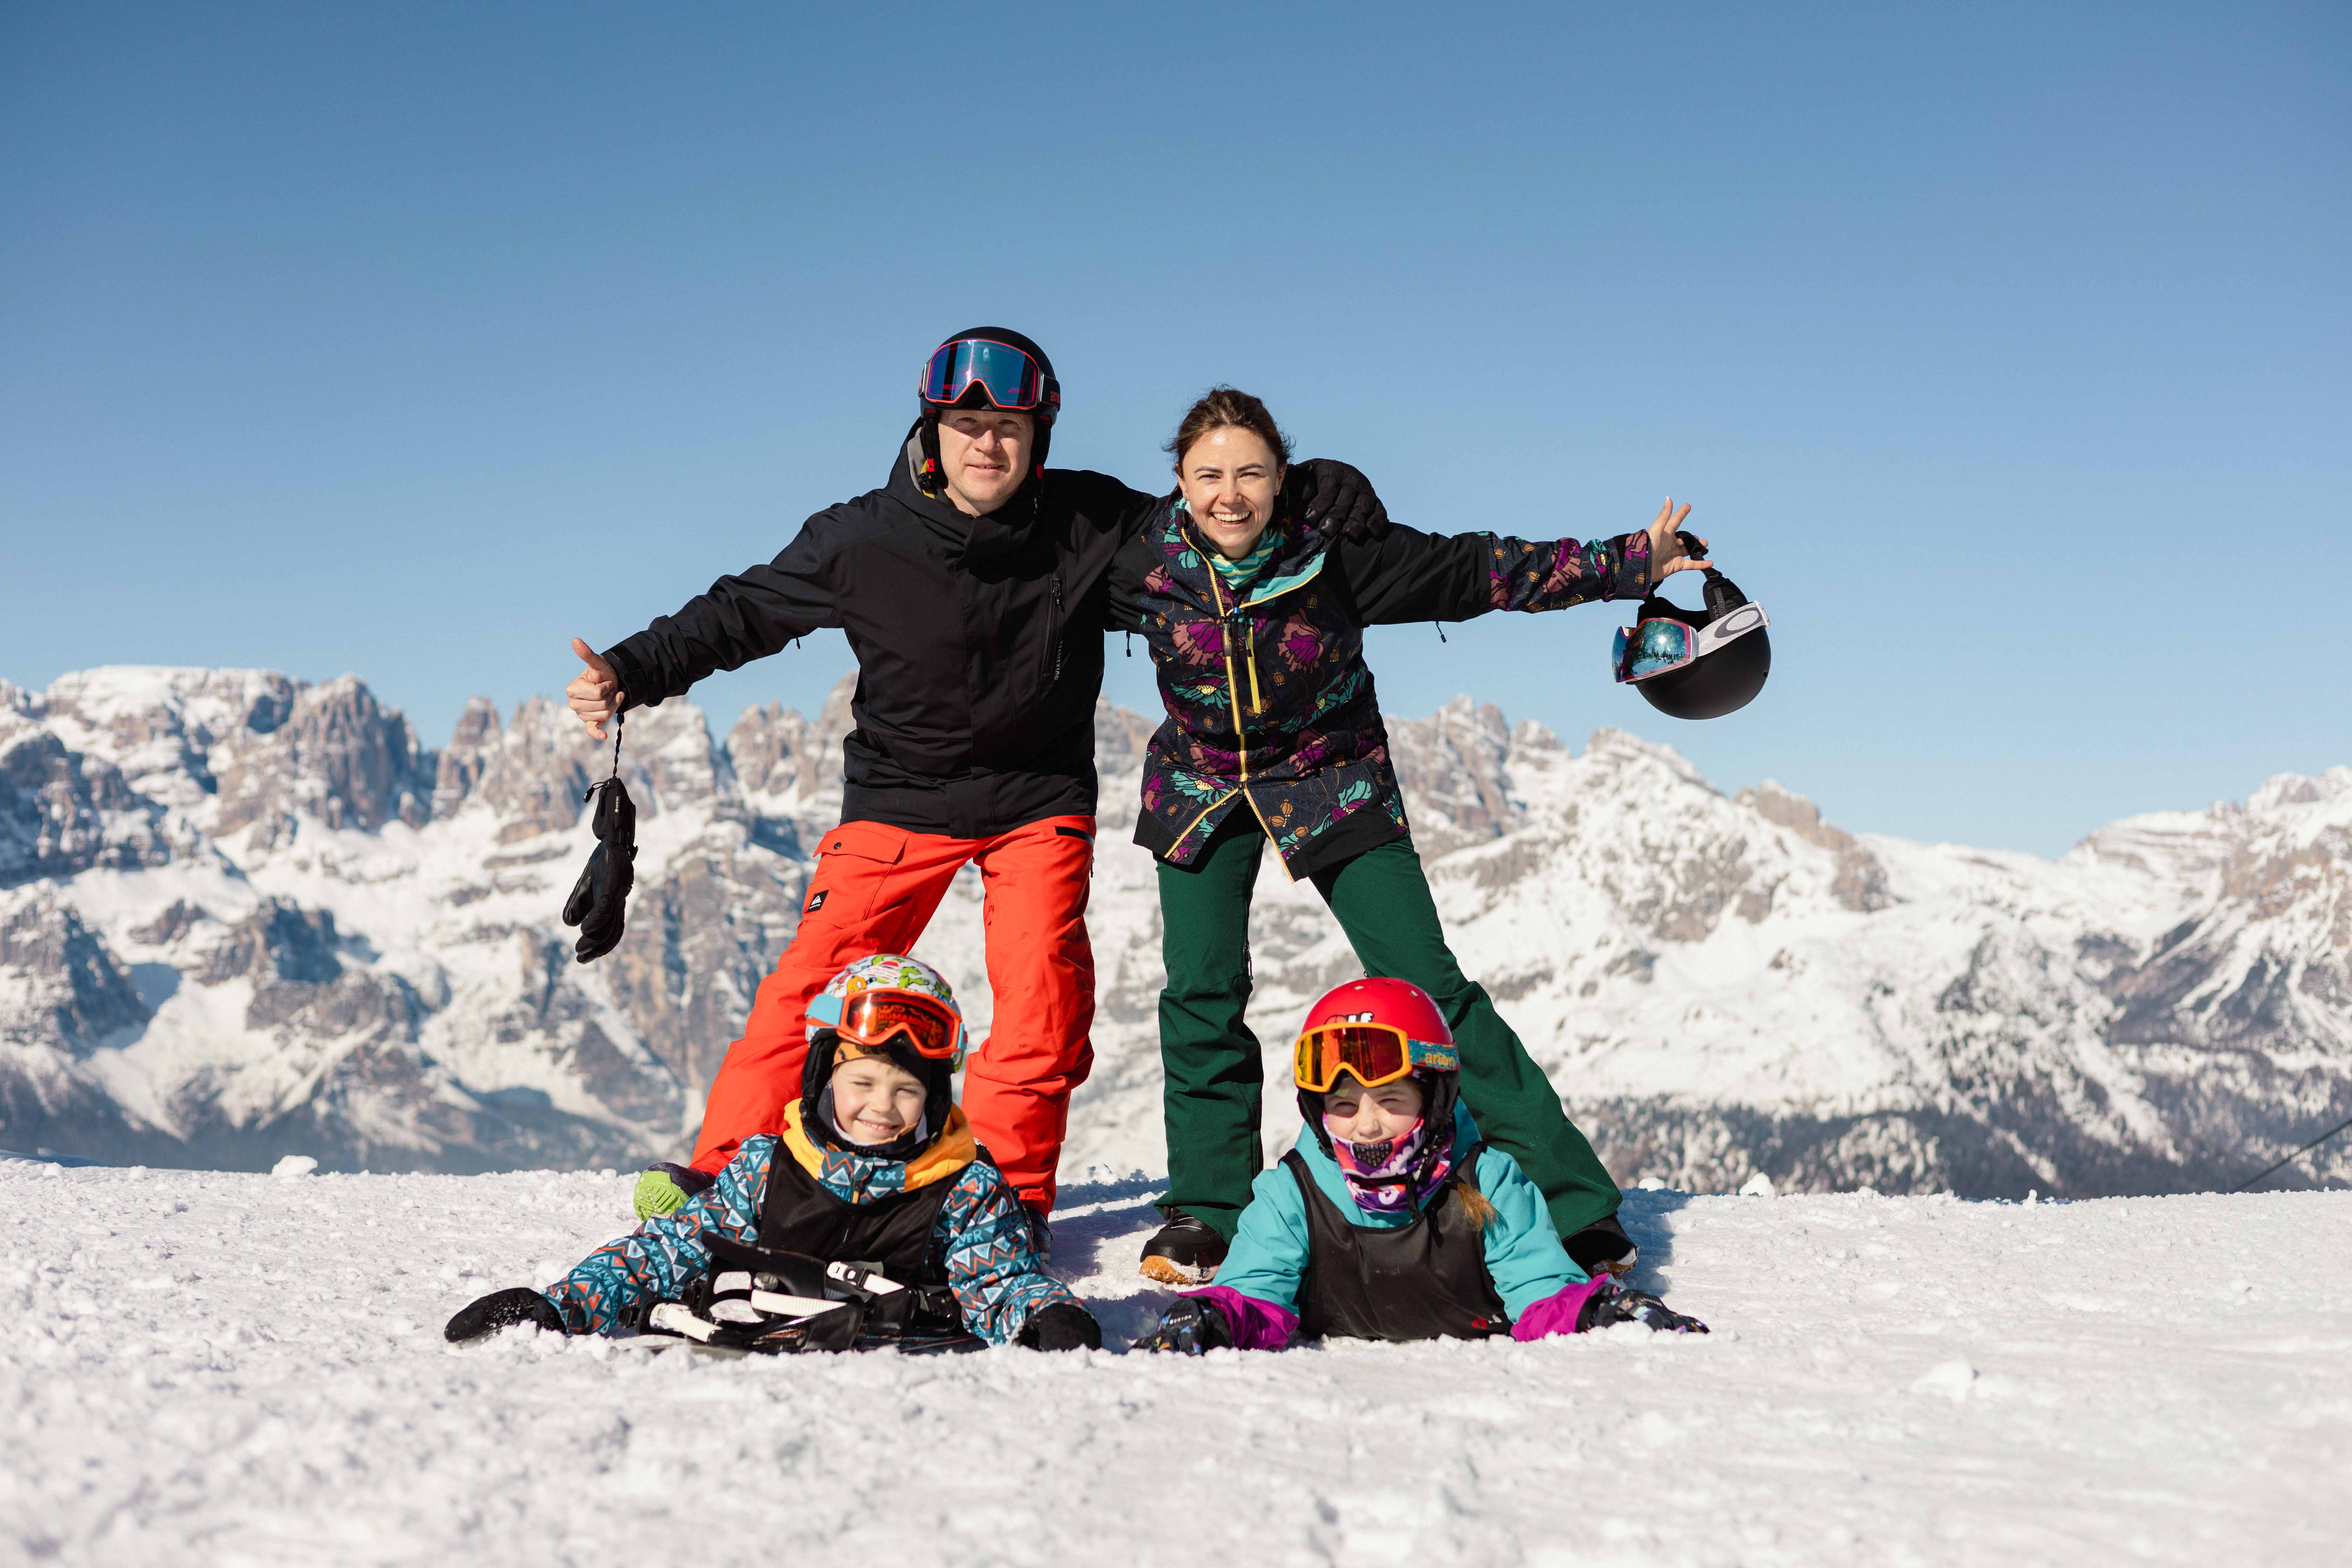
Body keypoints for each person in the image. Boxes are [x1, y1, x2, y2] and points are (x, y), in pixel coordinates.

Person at [563, 330, 1386, 1239]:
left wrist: (1314, 486)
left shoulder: (1089, 520)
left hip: (1037, 801)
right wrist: (631, 670)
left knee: (1043, 996)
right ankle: (722, 1173)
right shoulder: (862, 537)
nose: (987, 443)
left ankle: (999, 1202)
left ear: (1038, 439)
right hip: (899, 797)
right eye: (967, 424)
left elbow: (1211, 516)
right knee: (814, 984)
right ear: (933, 429)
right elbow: (741, 612)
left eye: (1009, 428)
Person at [1106, 387, 1710, 1285]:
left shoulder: (1336, 554)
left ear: (1282, 477)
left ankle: (1569, 1202)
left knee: (1431, 985)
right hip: (1200, 786)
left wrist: (1629, 561)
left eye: (1251, 473)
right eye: (1210, 475)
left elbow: (1480, 572)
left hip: (1332, 779)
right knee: (1201, 990)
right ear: (1180, 481)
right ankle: (1208, 1209)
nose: (1230, 494)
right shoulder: (1138, 562)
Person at [443, 955, 1101, 1352]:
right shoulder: (768, 1168)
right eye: (862, 1084)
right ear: (822, 1080)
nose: (882, 1107)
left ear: (933, 1097)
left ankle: (1032, 1222)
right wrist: (560, 1305)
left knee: (1021, 1234)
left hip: (897, 1415)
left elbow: (998, 1281)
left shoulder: (963, 1186)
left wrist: (1047, 1316)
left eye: (907, 1091)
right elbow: (672, 1249)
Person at [1134, 978, 1706, 1352]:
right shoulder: (1295, 1195)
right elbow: (1254, 1293)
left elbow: (1542, 1291)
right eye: (1344, 1107)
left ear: (1434, 1101)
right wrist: (1211, 1319)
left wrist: (1596, 1312)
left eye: (1390, 1100)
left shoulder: (1487, 1182)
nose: (1367, 1126)